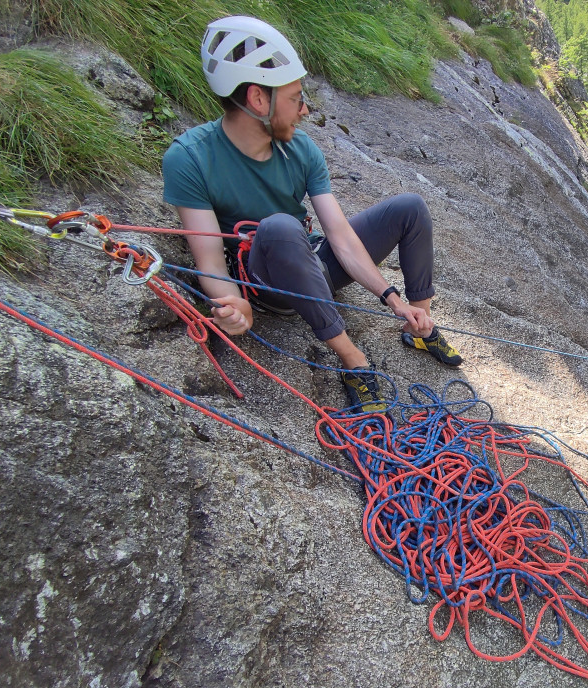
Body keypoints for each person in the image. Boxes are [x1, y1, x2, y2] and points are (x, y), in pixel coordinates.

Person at [162, 16, 461, 414]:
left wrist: (394, 300)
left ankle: (419, 324)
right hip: (267, 282)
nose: (304, 109)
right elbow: (210, 259)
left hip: (312, 262)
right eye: (295, 97)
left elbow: (339, 234)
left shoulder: (301, 149)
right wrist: (234, 303)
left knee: (410, 208)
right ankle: (354, 361)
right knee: (281, 227)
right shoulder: (190, 158)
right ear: (257, 100)